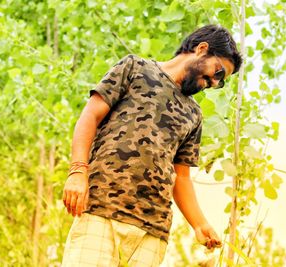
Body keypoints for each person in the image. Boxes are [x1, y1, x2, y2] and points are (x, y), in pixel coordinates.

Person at [61, 24, 242, 267]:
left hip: (151, 230)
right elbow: (90, 116)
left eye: (220, 82)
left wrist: (199, 224)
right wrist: (77, 171)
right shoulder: (134, 68)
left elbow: (182, 178)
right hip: (101, 210)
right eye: (218, 72)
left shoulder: (194, 114)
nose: (213, 82)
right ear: (202, 49)